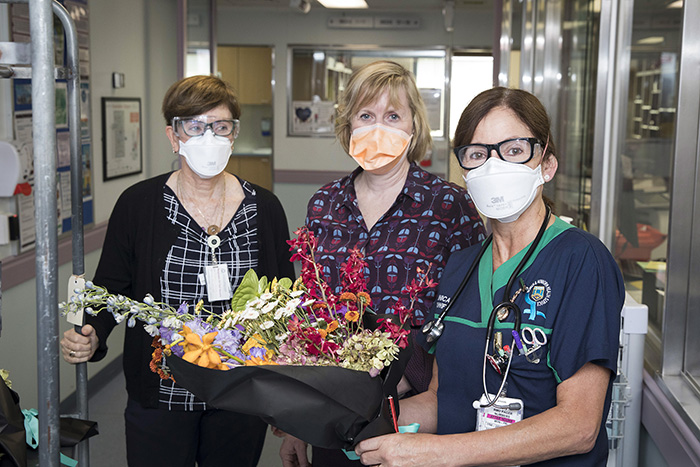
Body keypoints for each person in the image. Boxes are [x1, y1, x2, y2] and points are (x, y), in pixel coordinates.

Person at [354, 87, 625, 466]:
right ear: (465, 171)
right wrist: (359, 422)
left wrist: (437, 453)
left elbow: (579, 426)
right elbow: (440, 398)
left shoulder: (580, 260)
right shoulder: (462, 267)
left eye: (514, 150)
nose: (494, 166)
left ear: (547, 164)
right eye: (478, 154)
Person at [60, 75, 295, 467]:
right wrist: (91, 334)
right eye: (194, 126)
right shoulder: (139, 205)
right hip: (162, 391)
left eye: (220, 127)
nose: (209, 137)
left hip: (240, 389)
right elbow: (111, 288)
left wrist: (286, 393)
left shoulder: (264, 208)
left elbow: (282, 304)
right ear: (173, 136)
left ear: (233, 135)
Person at [279, 60, 485, 467]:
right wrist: (294, 423)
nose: (379, 127)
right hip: (332, 406)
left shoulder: (448, 205)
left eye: (393, 115)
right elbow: (309, 310)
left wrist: (409, 371)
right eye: (366, 115)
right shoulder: (324, 204)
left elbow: (470, 310)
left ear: (413, 126)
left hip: (416, 407)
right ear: (349, 125)